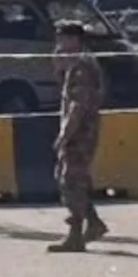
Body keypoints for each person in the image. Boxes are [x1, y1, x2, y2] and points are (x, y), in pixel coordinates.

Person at [45, 22, 109, 253]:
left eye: (62, 39)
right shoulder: (78, 64)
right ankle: (92, 223)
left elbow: (77, 106)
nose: (59, 44)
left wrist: (65, 134)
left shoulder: (81, 67)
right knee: (74, 179)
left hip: (80, 131)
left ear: (73, 40)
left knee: (70, 180)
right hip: (82, 129)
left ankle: (76, 234)